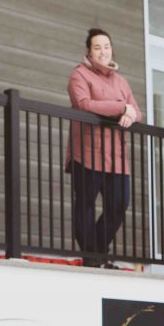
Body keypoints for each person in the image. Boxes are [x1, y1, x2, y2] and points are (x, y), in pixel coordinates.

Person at [66, 28, 142, 268]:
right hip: (87, 152)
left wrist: (130, 114)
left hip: (116, 155)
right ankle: (91, 255)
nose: (103, 51)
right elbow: (84, 104)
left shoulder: (121, 81)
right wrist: (121, 108)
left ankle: (97, 250)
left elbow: (137, 112)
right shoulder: (79, 74)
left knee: (119, 203)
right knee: (85, 204)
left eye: (106, 47)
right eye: (97, 47)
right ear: (89, 51)